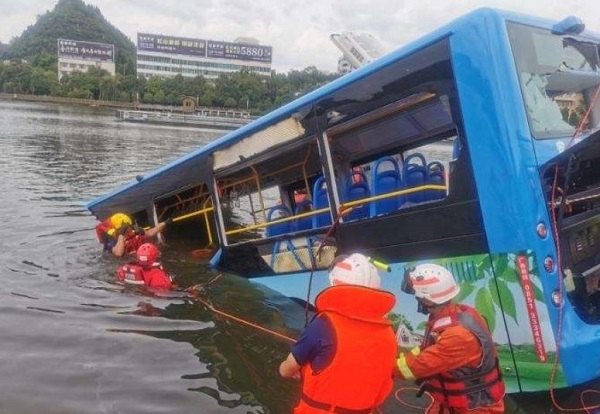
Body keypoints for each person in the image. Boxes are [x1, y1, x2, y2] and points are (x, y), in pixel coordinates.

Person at [279, 253, 397, 414]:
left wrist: (297, 370)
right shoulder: (388, 333)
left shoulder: (324, 325)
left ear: (335, 282)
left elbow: (285, 370)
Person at [396, 264, 505, 414]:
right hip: (452, 405)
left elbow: (418, 366)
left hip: (475, 408)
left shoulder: (457, 336)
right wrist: (397, 356)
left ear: (428, 301)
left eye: (417, 296)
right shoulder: (452, 315)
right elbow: (426, 350)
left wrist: (384, 367)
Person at [95, 212, 169, 257]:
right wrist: (121, 235)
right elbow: (118, 253)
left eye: (129, 227)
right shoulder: (111, 240)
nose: (129, 230)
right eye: (125, 228)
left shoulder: (132, 230)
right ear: (118, 229)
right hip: (120, 263)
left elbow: (149, 233)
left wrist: (164, 223)